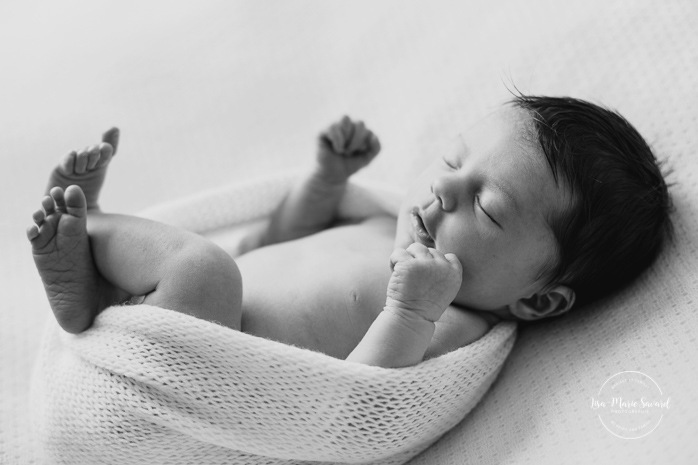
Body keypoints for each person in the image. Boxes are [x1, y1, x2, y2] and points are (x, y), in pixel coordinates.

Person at [26, 95, 672, 368]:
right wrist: (327, 183)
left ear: (535, 299)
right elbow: (274, 241)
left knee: (206, 272)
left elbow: (363, 398)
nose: (444, 190)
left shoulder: (453, 322)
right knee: (217, 263)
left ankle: (91, 239)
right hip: (175, 309)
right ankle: (95, 273)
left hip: (206, 351)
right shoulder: (376, 221)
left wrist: (410, 308)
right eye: (452, 161)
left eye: (490, 208)